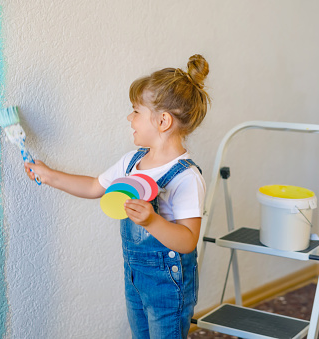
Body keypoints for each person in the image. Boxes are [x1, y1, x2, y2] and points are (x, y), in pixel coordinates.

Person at [24, 54, 211, 339]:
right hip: (135, 277)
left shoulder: (185, 177)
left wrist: (151, 221)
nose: (129, 117)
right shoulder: (131, 162)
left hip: (169, 285)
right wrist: (49, 175)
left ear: (162, 121)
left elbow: (187, 240)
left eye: (136, 111)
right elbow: (94, 187)